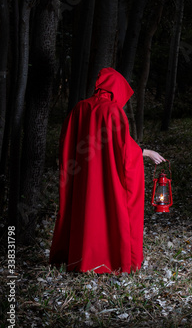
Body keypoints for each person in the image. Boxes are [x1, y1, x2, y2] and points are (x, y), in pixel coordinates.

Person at [49, 67, 165, 274]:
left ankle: (79, 259)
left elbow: (66, 143)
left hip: (81, 177)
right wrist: (144, 152)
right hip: (106, 178)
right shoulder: (112, 110)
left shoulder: (79, 108)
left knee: (84, 211)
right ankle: (108, 260)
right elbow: (123, 148)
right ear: (116, 89)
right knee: (108, 211)